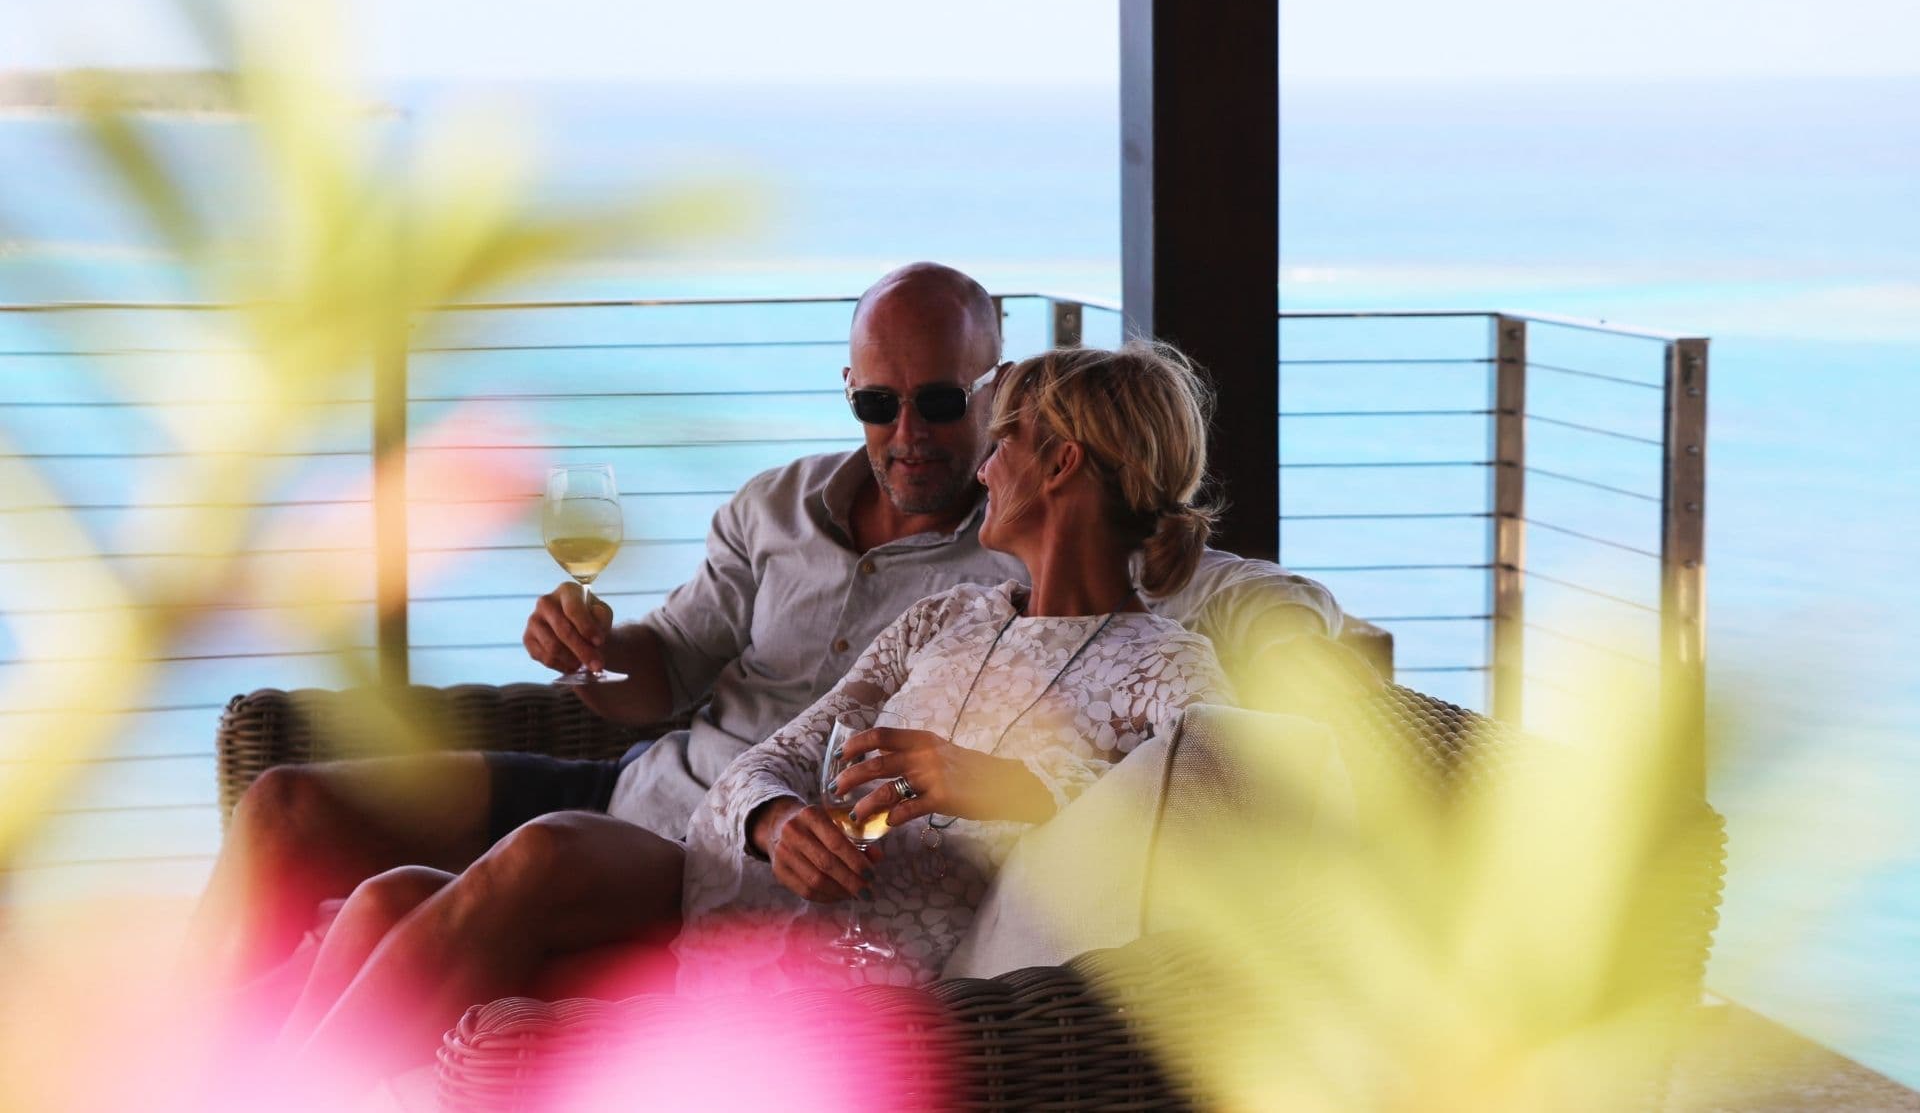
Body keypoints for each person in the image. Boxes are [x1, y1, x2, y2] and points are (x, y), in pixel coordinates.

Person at [191, 262, 1337, 1075]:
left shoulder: (1151, 652)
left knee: (502, 875)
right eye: (879, 402)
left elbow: (1211, 792)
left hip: (842, 961)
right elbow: (763, 745)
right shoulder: (936, 612)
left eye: (976, 425)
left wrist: (989, 782)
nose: (947, 451)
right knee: (368, 871)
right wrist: (770, 809)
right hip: (721, 855)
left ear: (1051, 454)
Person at [675, 341, 1234, 990]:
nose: (984, 472)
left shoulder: (1167, 661)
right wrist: (776, 823)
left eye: (1001, 447)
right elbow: (773, 761)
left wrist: (1012, 785)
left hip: (986, 1029)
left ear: (1060, 463)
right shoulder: (943, 618)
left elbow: (1215, 827)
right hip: (813, 981)